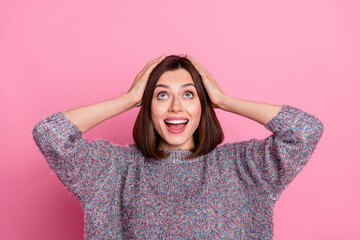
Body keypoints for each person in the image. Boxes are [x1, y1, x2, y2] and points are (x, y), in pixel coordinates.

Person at [32, 54, 323, 239]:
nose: (175, 106)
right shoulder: (113, 170)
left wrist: (223, 100)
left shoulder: (244, 167)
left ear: (202, 105)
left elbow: (305, 130)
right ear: (148, 107)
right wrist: (129, 98)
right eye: (161, 96)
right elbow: (50, 135)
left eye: (188, 94)